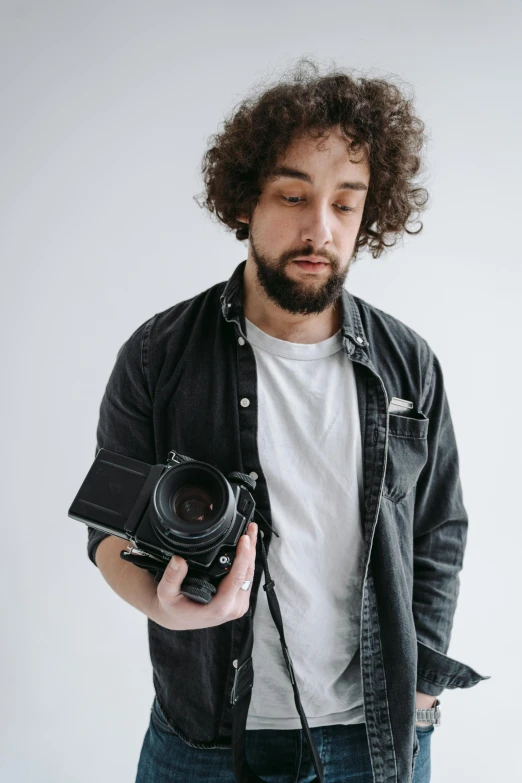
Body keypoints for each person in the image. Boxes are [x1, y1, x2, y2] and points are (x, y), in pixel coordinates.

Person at [87, 59, 489, 783]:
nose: (319, 228)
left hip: (375, 739)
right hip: (202, 735)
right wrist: (167, 608)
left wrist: (422, 692)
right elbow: (110, 528)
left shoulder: (408, 362)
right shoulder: (158, 354)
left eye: (345, 203)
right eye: (293, 196)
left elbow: (439, 528)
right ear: (246, 200)